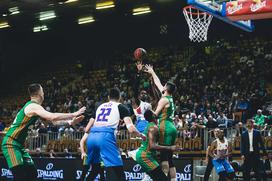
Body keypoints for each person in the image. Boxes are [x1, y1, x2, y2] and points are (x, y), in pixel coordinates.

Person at [1, 83, 86, 181]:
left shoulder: (36, 108)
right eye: (43, 91)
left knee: (32, 174)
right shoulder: (33, 106)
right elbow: (52, 116)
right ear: (39, 94)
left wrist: (70, 122)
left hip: (19, 145)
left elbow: (52, 123)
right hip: (11, 143)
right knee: (20, 175)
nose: (44, 93)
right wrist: (73, 114)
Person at [86, 88, 145, 180]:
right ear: (120, 97)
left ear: (108, 97)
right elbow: (131, 129)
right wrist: (141, 135)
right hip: (105, 137)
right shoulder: (121, 107)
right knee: (120, 173)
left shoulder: (100, 107)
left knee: (94, 170)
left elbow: (87, 129)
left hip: (92, 137)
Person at [144, 65, 177, 181]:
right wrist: (152, 71)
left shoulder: (163, 99)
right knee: (170, 158)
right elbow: (158, 84)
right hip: (172, 127)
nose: (161, 86)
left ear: (166, 89)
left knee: (164, 157)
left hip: (165, 127)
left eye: (164, 86)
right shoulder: (169, 97)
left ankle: (163, 178)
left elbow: (155, 115)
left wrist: (147, 111)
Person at [136, 110, 181, 181]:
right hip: (145, 156)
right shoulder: (153, 128)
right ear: (153, 116)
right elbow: (152, 146)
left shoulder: (153, 126)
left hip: (148, 156)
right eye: (154, 112)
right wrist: (170, 148)